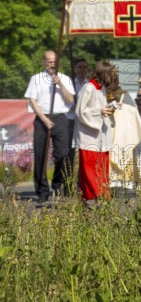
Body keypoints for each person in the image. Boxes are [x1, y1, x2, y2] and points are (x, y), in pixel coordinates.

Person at [24, 50, 75, 202]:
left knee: (63, 154)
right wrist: (44, 119)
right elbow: (32, 100)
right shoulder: (36, 79)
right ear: (44, 62)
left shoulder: (65, 79)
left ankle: (58, 183)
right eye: (49, 61)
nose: (52, 64)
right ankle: (42, 191)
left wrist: (60, 85)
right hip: (42, 118)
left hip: (61, 118)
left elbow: (70, 99)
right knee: (40, 155)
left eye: (55, 61)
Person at [74, 62, 116, 202]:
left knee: (101, 169)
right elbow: (80, 111)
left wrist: (110, 108)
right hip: (89, 137)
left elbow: (101, 108)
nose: (113, 77)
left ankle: (102, 196)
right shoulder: (88, 88)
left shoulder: (101, 88)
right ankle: (95, 197)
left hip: (101, 137)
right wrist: (99, 111)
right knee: (90, 170)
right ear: (104, 74)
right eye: (111, 74)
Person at [65, 58, 89, 195]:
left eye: (85, 67)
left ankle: (82, 184)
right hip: (70, 120)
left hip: (84, 121)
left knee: (83, 153)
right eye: (80, 67)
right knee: (68, 153)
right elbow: (68, 104)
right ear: (74, 69)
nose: (82, 70)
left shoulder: (89, 85)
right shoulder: (69, 84)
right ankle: (68, 185)